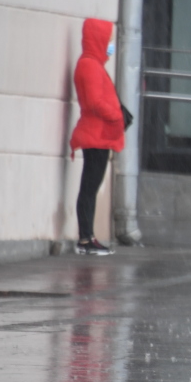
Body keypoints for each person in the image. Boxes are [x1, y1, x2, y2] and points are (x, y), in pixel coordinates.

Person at [68, 19, 125, 256]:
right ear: (98, 39)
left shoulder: (92, 64)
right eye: (109, 40)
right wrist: (116, 114)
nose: (110, 45)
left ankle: (88, 237)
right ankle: (85, 239)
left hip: (99, 134)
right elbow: (94, 102)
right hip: (97, 135)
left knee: (90, 186)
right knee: (89, 187)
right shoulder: (90, 65)